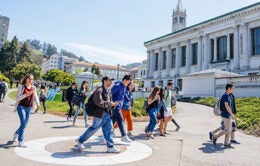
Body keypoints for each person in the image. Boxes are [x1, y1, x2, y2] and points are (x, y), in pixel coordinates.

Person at [75, 76, 121, 153]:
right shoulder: (99, 90)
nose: (111, 82)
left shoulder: (109, 91)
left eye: (111, 81)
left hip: (107, 114)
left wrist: (113, 104)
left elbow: (108, 102)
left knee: (109, 130)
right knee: (93, 129)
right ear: (104, 81)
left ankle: (110, 147)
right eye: (109, 80)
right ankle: (80, 140)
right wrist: (110, 104)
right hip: (100, 114)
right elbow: (99, 102)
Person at [12, 74, 40, 147]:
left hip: (29, 107)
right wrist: (26, 95)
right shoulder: (21, 87)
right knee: (23, 123)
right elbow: (17, 98)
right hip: (21, 107)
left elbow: (35, 96)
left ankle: (16, 133)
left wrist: (38, 103)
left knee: (24, 124)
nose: (31, 80)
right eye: (30, 78)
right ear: (26, 79)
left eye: (32, 79)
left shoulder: (33, 87)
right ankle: (20, 141)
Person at [212, 83, 235, 148]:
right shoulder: (225, 96)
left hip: (227, 115)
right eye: (232, 88)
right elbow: (226, 106)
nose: (233, 90)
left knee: (229, 129)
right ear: (229, 88)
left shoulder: (227, 95)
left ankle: (226, 143)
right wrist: (232, 114)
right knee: (228, 130)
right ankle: (215, 136)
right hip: (225, 115)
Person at [111, 75, 132, 142]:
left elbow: (124, 95)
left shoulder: (124, 87)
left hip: (119, 106)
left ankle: (107, 134)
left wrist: (128, 100)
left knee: (112, 122)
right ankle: (124, 136)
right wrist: (112, 103)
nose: (128, 84)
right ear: (124, 80)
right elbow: (109, 94)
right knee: (120, 120)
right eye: (128, 82)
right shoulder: (117, 85)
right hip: (115, 106)